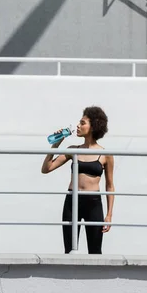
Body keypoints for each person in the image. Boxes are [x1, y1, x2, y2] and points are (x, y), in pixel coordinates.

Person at [41, 106, 114, 254]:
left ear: (93, 126)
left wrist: (109, 215)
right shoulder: (73, 149)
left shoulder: (106, 154)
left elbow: (110, 186)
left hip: (93, 202)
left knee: (95, 250)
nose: (78, 126)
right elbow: (46, 168)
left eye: (82, 123)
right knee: (69, 249)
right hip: (72, 200)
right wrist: (56, 144)